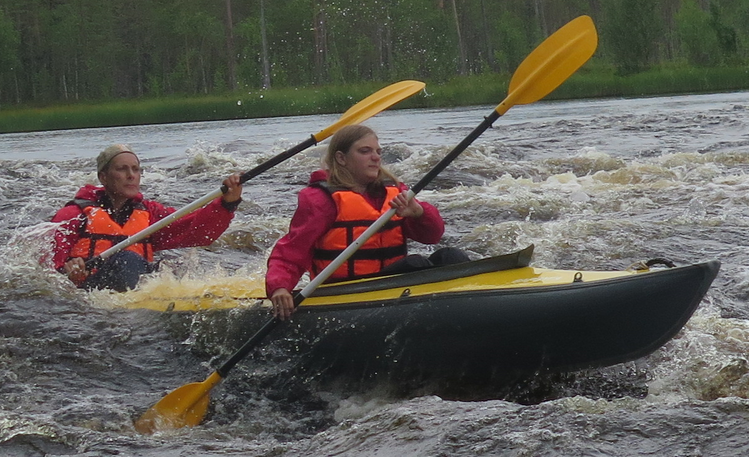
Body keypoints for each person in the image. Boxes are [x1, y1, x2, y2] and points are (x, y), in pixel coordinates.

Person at [265, 124, 468, 320]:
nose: (376, 157)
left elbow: (432, 236)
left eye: (378, 152)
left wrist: (418, 212)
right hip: (348, 293)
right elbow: (292, 251)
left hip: (392, 286)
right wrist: (280, 287)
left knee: (451, 256)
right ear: (341, 158)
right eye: (365, 151)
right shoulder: (321, 200)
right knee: (416, 264)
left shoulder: (395, 191)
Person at [49, 143, 243, 291]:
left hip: (137, 286)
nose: (131, 175)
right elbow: (48, 267)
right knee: (126, 259)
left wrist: (227, 203)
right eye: (122, 169)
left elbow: (197, 232)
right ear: (103, 177)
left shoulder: (150, 213)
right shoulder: (73, 215)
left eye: (135, 169)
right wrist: (69, 270)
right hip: (91, 290)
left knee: (173, 268)